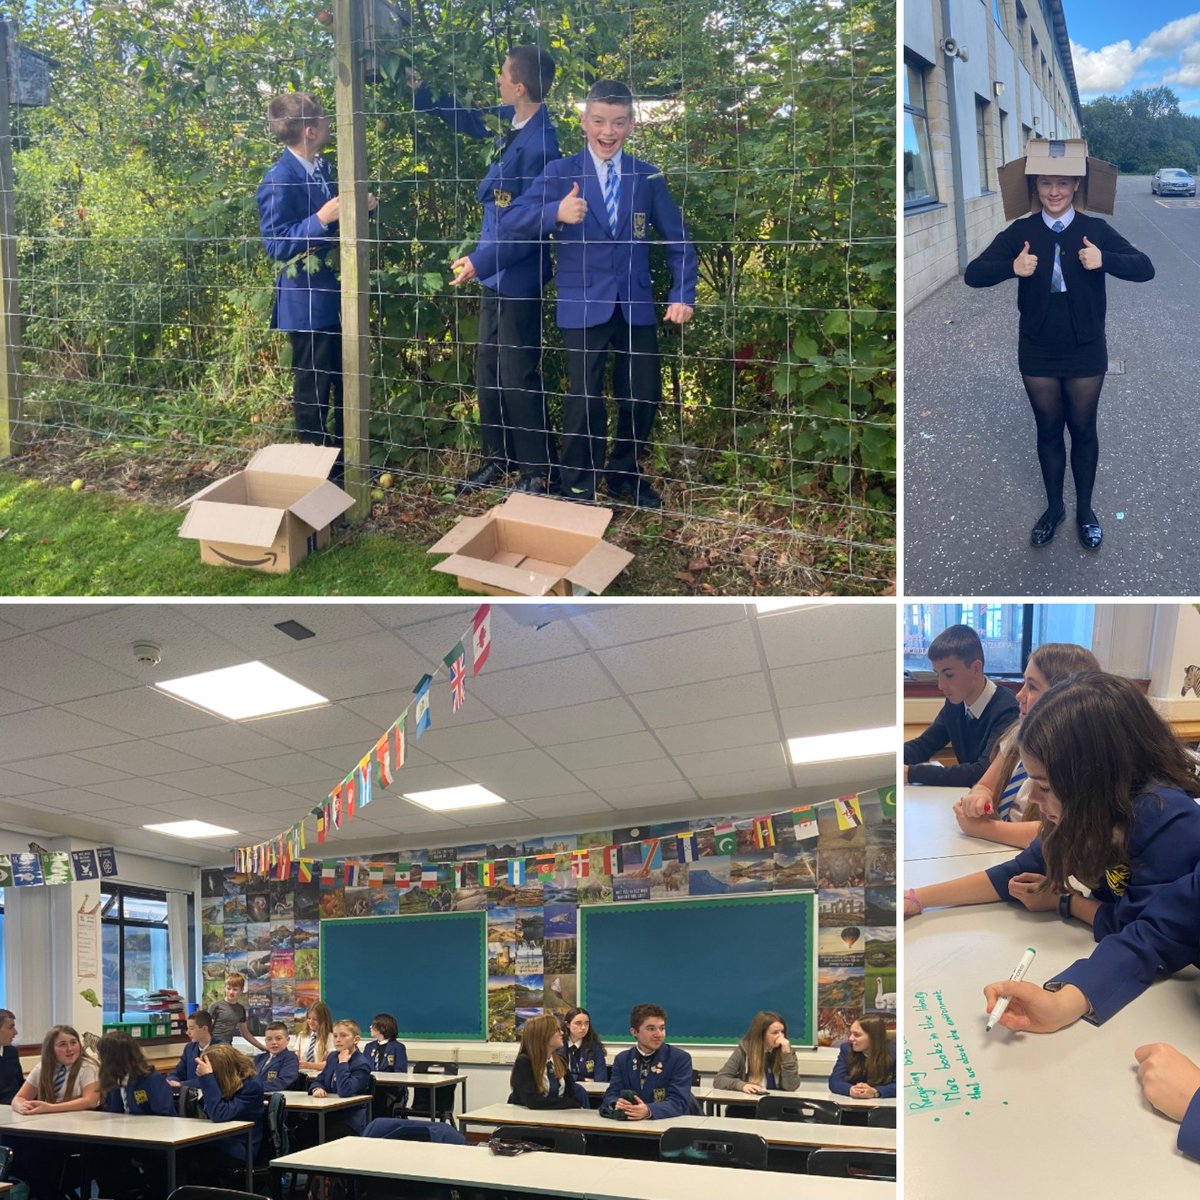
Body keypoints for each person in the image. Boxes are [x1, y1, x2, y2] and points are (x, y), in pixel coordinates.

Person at [455, 80, 697, 509]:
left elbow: (677, 240)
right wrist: (555, 213)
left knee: (642, 393)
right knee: (584, 399)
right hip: (583, 304)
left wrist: (682, 293)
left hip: (635, 305)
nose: (608, 131)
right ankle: (578, 486)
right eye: (599, 120)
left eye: (619, 122)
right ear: (584, 121)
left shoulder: (648, 176)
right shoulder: (560, 173)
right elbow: (511, 223)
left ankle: (624, 475)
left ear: (632, 125)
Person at [905, 672, 1200, 934]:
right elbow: (1017, 870)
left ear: (1094, 777)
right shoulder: (1086, 811)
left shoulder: (1167, 822)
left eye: (1045, 786)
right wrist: (918, 898)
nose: (1033, 797)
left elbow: (1141, 930)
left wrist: (1065, 902)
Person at [964, 163, 1154, 550]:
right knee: (1048, 431)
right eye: (1046, 183)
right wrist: (1011, 268)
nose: (1054, 192)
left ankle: (1085, 511)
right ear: (1036, 186)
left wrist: (1106, 260)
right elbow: (974, 273)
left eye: (1062, 183)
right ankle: (1055, 509)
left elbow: (1145, 268)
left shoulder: (1095, 230)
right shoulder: (1021, 232)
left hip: (1085, 347)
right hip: (1037, 347)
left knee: (1083, 430)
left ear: (1075, 186)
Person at [412, 46, 562, 495]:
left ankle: (537, 469)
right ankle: (498, 460)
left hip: (515, 271)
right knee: (489, 369)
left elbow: (530, 224)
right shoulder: (508, 121)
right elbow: (468, 119)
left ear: (519, 86)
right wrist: (422, 92)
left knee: (518, 371)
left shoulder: (542, 145)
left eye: (502, 75)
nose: (496, 80)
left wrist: (480, 261)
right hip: (493, 271)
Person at [257, 92, 377, 465]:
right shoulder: (278, 180)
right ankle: (315, 470)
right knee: (313, 390)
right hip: (306, 303)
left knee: (345, 383)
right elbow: (276, 245)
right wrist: (321, 219)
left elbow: (340, 223)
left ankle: (346, 465)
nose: (329, 125)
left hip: (340, 296)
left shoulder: (323, 168)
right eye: (324, 120)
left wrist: (362, 209)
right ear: (310, 131)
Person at [952, 642, 1100, 849]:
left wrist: (983, 829)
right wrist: (979, 797)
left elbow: (1060, 831)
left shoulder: (1079, 755)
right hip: (1000, 850)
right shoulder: (1017, 733)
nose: (1019, 696)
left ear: (1064, 696)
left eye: (1032, 687)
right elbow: (985, 785)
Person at [904, 624, 1020, 787]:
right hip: (968, 798)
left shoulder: (1008, 710)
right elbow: (924, 745)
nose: (941, 685)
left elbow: (982, 772)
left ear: (976, 668)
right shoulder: (955, 704)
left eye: (949, 675)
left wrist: (911, 773)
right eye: (938, 675)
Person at [93, 1031, 176, 1200]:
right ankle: (116, 1193)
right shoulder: (114, 1080)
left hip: (155, 1141)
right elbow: (113, 1114)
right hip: (127, 1138)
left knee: (153, 1160)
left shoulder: (151, 1079)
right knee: (98, 1152)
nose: (98, 1058)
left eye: (101, 1055)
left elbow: (164, 1115)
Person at [602, 1002, 700, 1119]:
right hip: (633, 1125)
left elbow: (678, 1101)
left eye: (662, 1028)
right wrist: (616, 1104)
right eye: (651, 1029)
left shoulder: (679, 1058)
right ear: (634, 1032)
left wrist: (648, 1111)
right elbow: (612, 1093)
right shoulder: (623, 1059)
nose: (658, 1034)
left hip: (670, 1125)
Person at [191, 1044, 265, 1175]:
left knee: (188, 1156)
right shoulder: (225, 1082)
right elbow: (206, 1107)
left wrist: (207, 1078)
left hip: (240, 1147)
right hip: (219, 1140)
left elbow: (220, 1114)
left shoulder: (251, 1085)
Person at [308, 1018, 373, 1137]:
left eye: (343, 1035)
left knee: (325, 1133)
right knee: (303, 1129)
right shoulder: (333, 1057)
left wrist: (343, 1063)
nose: (338, 1040)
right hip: (329, 1113)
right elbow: (319, 1080)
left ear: (356, 1040)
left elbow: (345, 1091)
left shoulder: (361, 1063)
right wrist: (317, 1089)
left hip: (348, 1119)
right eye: (335, 1036)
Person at [508, 1012, 588, 1108]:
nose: (562, 1033)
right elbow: (533, 1101)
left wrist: (569, 1104)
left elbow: (571, 1095)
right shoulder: (524, 1062)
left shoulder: (560, 1061)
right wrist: (568, 1103)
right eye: (557, 1030)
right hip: (529, 1118)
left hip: (559, 1116)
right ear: (543, 1035)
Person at [714, 1010, 800, 1093]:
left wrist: (786, 1055)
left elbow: (791, 1087)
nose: (781, 1036)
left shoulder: (787, 1051)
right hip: (750, 1103)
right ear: (761, 1034)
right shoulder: (744, 1050)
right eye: (775, 1033)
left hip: (779, 1103)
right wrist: (742, 1085)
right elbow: (720, 1079)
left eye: (782, 1032)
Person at [828, 1017, 896, 1099]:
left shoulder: (895, 1052)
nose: (850, 1038)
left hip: (884, 1107)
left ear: (874, 1037)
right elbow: (835, 1081)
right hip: (852, 1105)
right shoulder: (847, 1049)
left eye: (857, 1035)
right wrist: (851, 1090)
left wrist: (875, 1092)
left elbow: (902, 1085)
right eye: (851, 1033)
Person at [210, 972, 266, 1052]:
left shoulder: (240, 1009)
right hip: (213, 1048)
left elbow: (245, 1033)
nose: (231, 992)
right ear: (225, 988)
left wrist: (263, 1048)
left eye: (235, 989)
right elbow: (206, 1030)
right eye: (228, 988)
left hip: (227, 1048)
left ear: (242, 990)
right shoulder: (216, 1006)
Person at [168, 1008, 219, 1086]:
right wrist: (171, 1080)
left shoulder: (220, 1049)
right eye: (187, 1028)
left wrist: (181, 1084)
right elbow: (179, 1071)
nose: (187, 1032)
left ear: (204, 1029)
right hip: (190, 1093)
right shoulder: (189, 1048)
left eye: (191, 1028)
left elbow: (213, 1080)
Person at [558, 1006, 607, 1082]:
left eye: (586, 1023)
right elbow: (558, 1075)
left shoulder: (595, 1048)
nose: (583, 1027)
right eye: (578, 1023)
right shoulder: (558, 1046)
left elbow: (601, 1079)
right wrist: (582, 1079)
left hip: (590, 1091)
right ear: (568, 1025)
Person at [254, 1020, 301, 1092]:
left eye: (278, 1039)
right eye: (269, 1039)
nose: (274, 1042)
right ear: (265, 1041)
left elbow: (283, 1082)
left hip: (273, 1097)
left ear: (287, 1040)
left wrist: (253, 1088)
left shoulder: (290, 1058)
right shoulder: (259, 1058)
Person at [296, 999, 333, 1066]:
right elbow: (296, 1057)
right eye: (309, 1018)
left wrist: (309, 1065)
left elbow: (330, 1063)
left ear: (324, 1020)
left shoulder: (331, 1037)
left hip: (320, 1075)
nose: (311, 1022)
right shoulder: (302, 1035)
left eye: (315, 1019)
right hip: (302, 1074)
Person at [0, 1008, 24, 1103]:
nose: (15, 1032)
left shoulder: (11, 1052)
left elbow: (20, 1084)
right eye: (10, 1027)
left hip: (17, 1107)